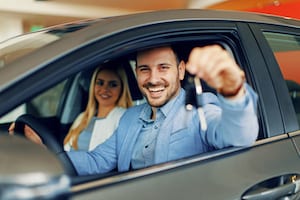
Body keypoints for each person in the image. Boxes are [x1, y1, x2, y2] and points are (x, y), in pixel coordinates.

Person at [65, 44, 259, 175]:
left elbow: (239, 136)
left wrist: (233, 91)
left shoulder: (200, 108)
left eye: (163, 67)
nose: (153, 79)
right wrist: (44, 158)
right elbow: (96, 160)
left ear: (181, 70)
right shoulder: (129, 118)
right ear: (137, 74)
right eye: (144, 69)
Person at [9, 63, 133, 151]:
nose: (104, 89)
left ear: (122, 89)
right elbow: (66, 154)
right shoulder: (82, 118)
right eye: (99, 83)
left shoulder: (123, 119)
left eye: (113, 84)